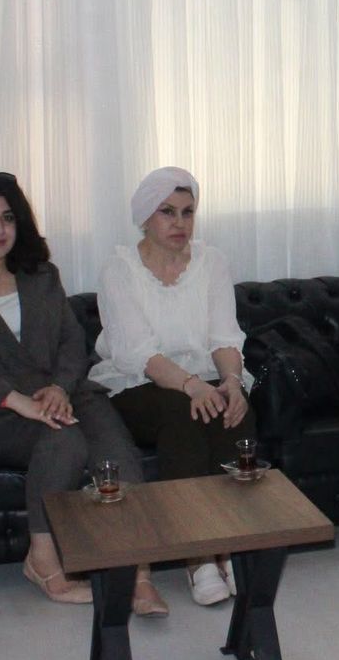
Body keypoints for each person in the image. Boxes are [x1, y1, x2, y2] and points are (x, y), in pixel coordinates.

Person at [0, 171, 167, 614]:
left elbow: (72, 340)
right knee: (65, 442)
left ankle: (137, 572)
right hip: (1, 410)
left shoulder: (40, 274)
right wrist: (17, 400)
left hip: (70, 392)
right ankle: (42, 560)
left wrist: (60, 386)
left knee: (115, 452)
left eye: (8, 218)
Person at [89, 167, 253, 607]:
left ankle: (232, 546)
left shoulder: (212, 262)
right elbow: (137, 353)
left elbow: (224, 337)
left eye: (188, 212)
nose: (180, 223)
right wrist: (192, 385)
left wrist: (233, 383)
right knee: (183, 412)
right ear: (146, 217)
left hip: (205, 376)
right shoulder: (119, 269)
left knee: (234, 410)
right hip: (138, 383)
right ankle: (197, 556)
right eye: (167, 212)